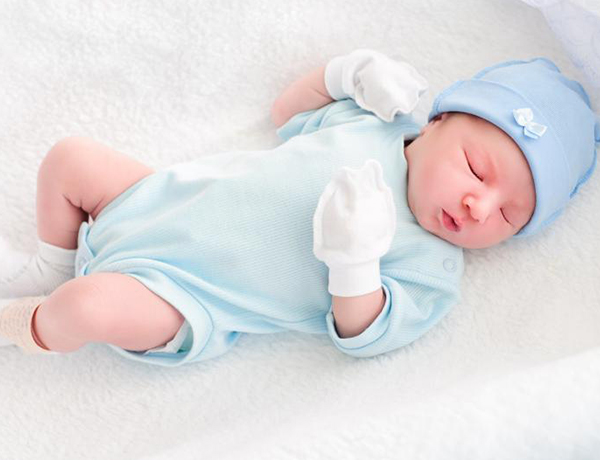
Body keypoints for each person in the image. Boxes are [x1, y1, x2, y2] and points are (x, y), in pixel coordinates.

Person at [0, 50, 597, 367]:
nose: (478, 204)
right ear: (437, 121)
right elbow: (288, 111)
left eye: (508, 217)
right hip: (155, 198)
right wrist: (351, 72)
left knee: (84, 306)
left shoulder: (431, 265)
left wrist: (356, 263)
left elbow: (362, 334)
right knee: (69, 158)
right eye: (476, 169)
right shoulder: (375, 125)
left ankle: (27, 324)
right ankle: (53, 262)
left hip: (184, 294)